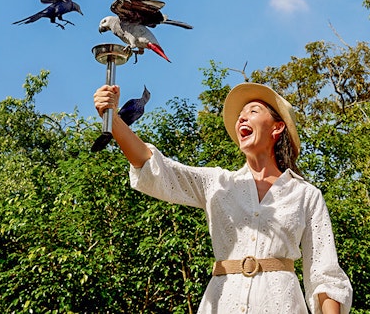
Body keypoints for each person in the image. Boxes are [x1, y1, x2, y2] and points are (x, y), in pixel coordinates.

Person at [93, 82, 353, 314]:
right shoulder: (217, 183)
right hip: (222, 302)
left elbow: (324, 273)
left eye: (253, 111)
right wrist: (113, 120)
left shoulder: (306, 194)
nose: (242, 118)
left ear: (277, 127)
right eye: (240, 115)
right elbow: (157, 169)